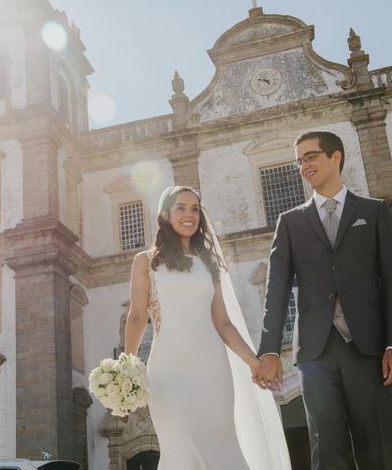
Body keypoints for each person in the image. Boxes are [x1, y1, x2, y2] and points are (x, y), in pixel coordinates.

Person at [255, 131, 392, 470]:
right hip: (315, 354)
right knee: (327, 452)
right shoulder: (290, 223)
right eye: (299, 161)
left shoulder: (375, 211)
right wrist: (268, 350)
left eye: (310, 156)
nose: (303, 166)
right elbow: (276, 290)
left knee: (379, 448)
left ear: (335, 157)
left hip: (369, 349)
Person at [125, 185, 292, 470]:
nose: (189, 215)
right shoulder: (145, 261)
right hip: (168, 372)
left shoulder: (208, 264)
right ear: (165, 215)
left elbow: (223, 323)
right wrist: (125, 367)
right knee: (181, 451)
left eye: (195, 210)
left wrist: (254, 362)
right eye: (181, 208)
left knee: (220, 451)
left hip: (213, 371)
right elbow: (138, 316)